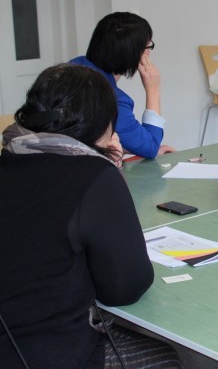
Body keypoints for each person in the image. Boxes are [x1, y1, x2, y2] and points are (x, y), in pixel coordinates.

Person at [0, 64, 182, 368]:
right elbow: (126, 288)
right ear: (101, 123)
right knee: (168, 357)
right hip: (49, 353)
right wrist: (109, 167)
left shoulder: (8, 158)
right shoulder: (93, 175)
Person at [70, 12, 176, 158]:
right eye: (148, 46)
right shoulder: (112, 100)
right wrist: (153, 89)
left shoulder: (72, 67)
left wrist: (132, 147)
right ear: (135, 54)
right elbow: (151, 146)